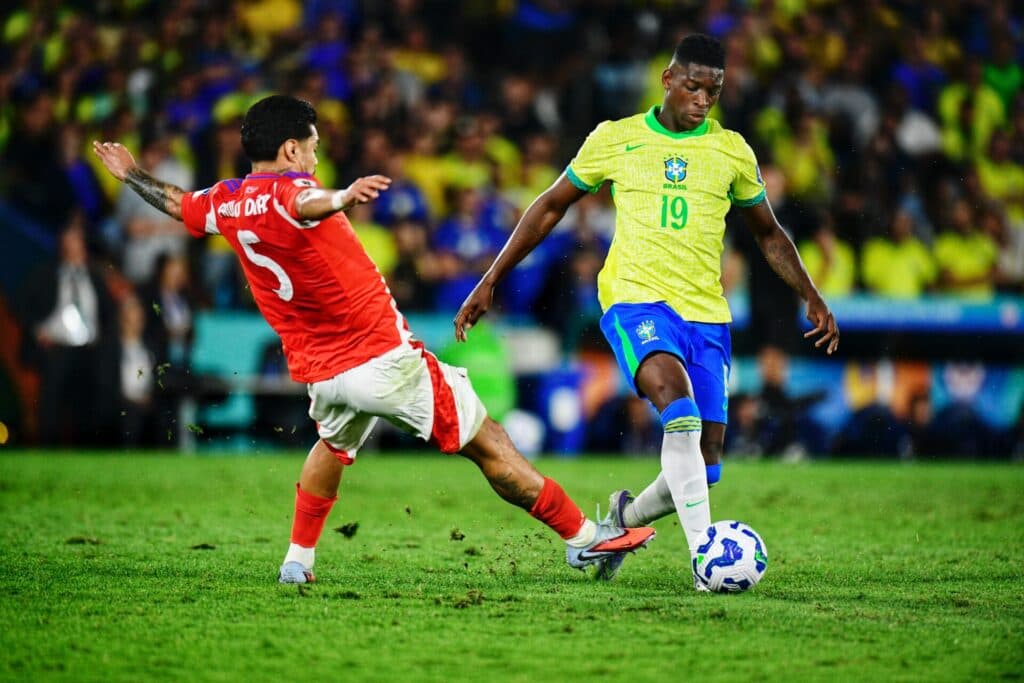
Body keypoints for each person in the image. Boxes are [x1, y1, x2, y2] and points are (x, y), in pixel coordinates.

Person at [92, 95, 654, 585]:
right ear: (290, 150)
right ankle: (583, 537)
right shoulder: (296, 191)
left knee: (333, 446)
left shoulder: (227, 200)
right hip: (383, 359)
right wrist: (340, 197)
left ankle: (297, 559)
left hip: (322, 373)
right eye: (311, 147)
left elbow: (175, 201)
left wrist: (129, 172)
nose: (314, 156)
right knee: (491, 445)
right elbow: (303, 204)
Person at [455, 34, 839, 587]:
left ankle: (619, 522)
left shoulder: (733, 151)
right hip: (635, 300)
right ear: (667, 79)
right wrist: (492, 278)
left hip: (706, 315)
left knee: (704, 470)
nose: (703, 99)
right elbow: (550, 206)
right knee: (677, 412)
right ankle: (706, 560)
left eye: (714, 90)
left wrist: (810, 292)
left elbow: (769, 233)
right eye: (693, 86)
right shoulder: (617, 139)